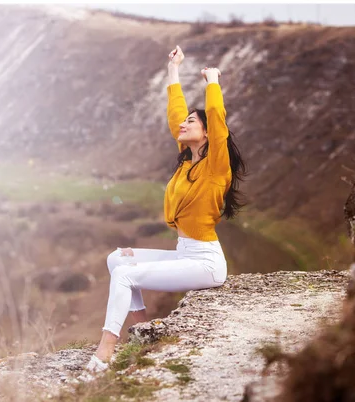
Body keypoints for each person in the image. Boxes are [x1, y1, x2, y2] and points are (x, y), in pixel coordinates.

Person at [83, 45, 247, 374]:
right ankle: (144, 329)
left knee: (126, 274)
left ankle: (105, 350)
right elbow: (175, 116)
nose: (183, 125)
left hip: (205, 262)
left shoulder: (217, 167)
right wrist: (174, 70)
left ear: (205, 133)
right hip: (184, 253)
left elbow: (217, 121)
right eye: (185, 122)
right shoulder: (188, 161)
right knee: (118, 259)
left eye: (191, 122)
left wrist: (212, 82)